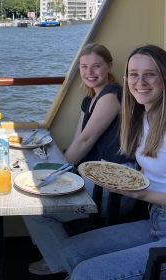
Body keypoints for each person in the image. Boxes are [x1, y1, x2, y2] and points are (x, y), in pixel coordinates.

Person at [23, 43, 135, 276]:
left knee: (35, 206)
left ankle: (62, 262)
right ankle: (61, 256)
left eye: (96, 66)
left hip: (116, 184)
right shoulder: (88, 100)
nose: (89, 72)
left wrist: (53, 174)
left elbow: (86, 141)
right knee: (33, 197)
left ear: (109, 67)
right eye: (84, 67)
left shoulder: (112, 95)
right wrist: (53, 170)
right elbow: (77, 143)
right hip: (94, 175)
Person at [60, 44, 166, 280]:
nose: (140, 82)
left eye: (150, 74)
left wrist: (139, 194)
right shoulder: (143, 116)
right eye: (134, 75)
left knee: (85, 274)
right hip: (155, 217)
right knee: (70, 251)